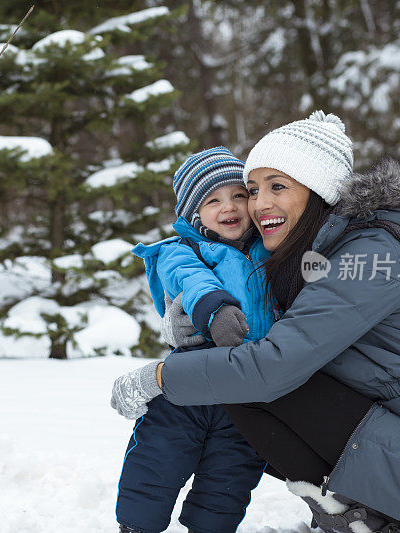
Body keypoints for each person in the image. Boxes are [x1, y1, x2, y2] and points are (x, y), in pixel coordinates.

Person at [111, 111, 400, 532]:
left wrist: (161, 376)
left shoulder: (365, 257)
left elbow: (271, 363)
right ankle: (357, 508)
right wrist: (195, 321)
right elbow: (283, 328)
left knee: (253, 386)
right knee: (245, 378)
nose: (258, 204)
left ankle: (365, 517)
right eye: (253, 189)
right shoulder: (321, 254)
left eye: (278, 187)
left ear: (319, 192)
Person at [113, 147, 274, 533]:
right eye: (213, 200)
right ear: (192, 213)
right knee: (157, 459)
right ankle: (137, 526)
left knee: (230, 475)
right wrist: (215, 311)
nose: (229, 207)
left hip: (245, 391)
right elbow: (191, 280)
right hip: (189, 386)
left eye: (238, 195)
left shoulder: (269, 250)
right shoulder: (180, 251)